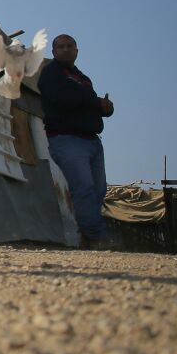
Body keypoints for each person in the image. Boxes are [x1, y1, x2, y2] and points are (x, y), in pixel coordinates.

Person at [38, 34, 114, 250]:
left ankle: (87, 238)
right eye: (60, 46)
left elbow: (92, 105)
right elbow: (62, 99)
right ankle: (98, 237)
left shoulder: (82, 78)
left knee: (98, 190)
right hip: (67, 139)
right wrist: (94, 102)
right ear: (53, 52)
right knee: (84, 188)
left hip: (91, 141)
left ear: (77, 51)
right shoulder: (51, 74)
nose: (65, 49)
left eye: (69, 46)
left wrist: (107, 107)